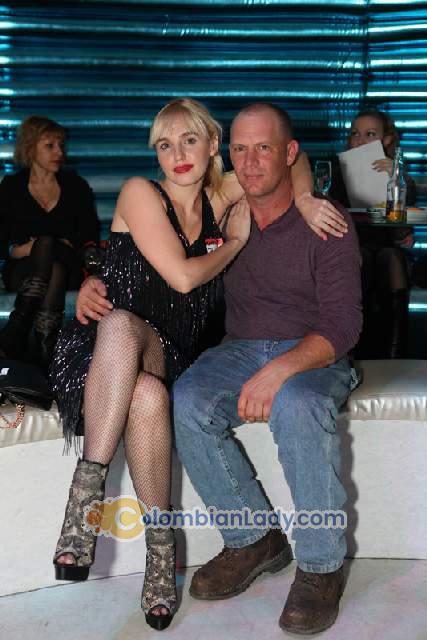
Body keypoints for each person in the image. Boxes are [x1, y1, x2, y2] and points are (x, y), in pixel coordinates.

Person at [50, 98, 347, 632]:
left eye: (190, 140)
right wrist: (235, 242)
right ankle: (98, 514)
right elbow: (184, 278)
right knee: (128, 345)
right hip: (110, 355)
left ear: (213, 146)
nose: (178, 154)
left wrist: (305, 199)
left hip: (171, 354)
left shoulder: (225, 192)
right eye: (165, 144)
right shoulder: (143, 192)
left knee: (158, 392)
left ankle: (294, 561)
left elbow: (289, 156)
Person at [172, 103, 362, 635]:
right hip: (239, 349)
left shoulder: (324, 220)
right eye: (240, 149)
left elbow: (344, 325)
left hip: (315, 352)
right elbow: (151, 250)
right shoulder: (224, 214)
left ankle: (321, 566)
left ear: (290, 153)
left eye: (264, 148)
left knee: (298, 403)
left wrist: (280, 370)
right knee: (187, 400)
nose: (251, 162)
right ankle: (253, 538)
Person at [0, 115, 100, 369]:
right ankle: (46, 349)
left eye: (61, 145)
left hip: (70, 265)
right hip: (24, 268)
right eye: (50, 146)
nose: (59, 152)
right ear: (30, 148)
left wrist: (54, 246)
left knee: (47, 246)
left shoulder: (75, 186)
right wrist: (18, 250)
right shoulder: (11, 187)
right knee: (51, 265)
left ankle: (18, 326)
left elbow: (89, 234)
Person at [331, 109, 416, 358]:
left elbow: (402, 232)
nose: (360, 141)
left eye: (369, 134)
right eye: (354, 134)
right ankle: (356, 351)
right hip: (350, 247)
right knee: (362, 259)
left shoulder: (398, 173)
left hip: (388, 249)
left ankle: (395, 354)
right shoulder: (335, 171)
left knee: (391, 258)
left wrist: (394, 180)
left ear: (386, 139)